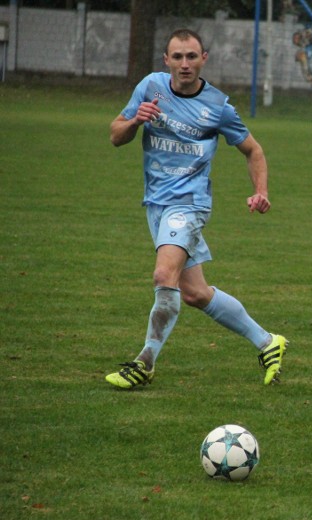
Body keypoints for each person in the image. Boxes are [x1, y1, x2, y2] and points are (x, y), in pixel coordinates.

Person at [105, 29, 288, 389]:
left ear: (204, 58)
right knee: (194, 293)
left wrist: (260, 191)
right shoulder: (150, 88)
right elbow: (116, 135)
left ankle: (145, 362)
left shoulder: (219, 107)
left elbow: (254, 150)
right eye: (178, 57)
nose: (185, 64)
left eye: (191, 56)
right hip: (156, 204)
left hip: (188, 205)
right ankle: (268, 343)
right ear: (166, 61)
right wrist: (135, 121)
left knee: (163, 276)